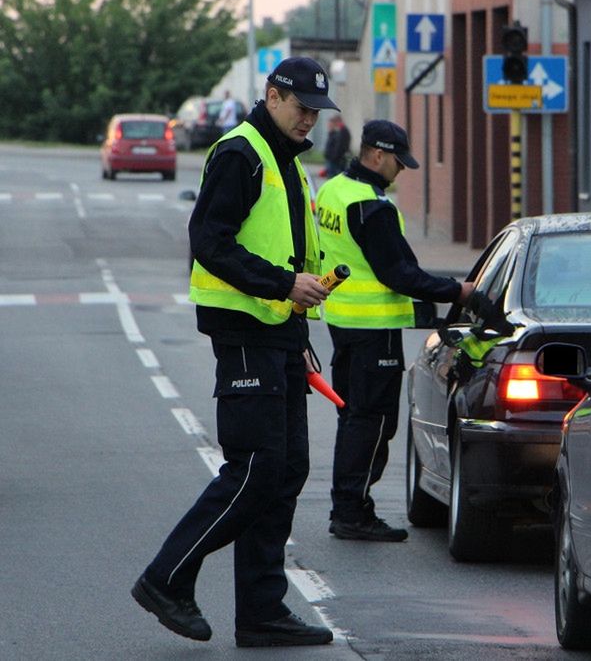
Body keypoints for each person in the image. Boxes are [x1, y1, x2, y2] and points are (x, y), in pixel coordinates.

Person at [131, 57, 338, 647]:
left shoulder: (287, 164)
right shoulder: (241, 153)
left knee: (286, 469)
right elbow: (209, 244)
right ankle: (165, 578)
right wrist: (281, 285)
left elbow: (292, 257)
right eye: (301, 109)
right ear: (272, 96)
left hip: (277, 336)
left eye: (316, 113)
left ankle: (262, 612)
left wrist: (297, 339)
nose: (309, 122)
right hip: (245, 334)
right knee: (255, 469)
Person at [315, 119, 504, 542]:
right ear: (377, 155)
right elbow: (399, 274)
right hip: (374, 329)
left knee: (355, 418)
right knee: (374, 424)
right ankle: (352, 512)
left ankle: (348, 506)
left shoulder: (333, 190)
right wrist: (460, 291)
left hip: (344, 322)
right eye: (398, 162)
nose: (401, 170)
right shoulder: (372, 206)